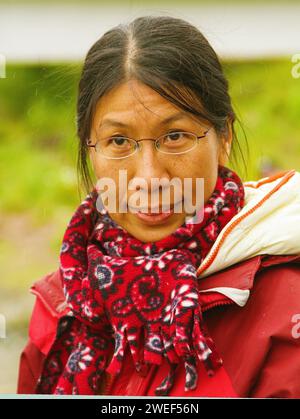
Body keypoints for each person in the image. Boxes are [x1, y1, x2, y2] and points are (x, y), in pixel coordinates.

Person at [17, 15, 300, 398]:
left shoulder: (284, 310)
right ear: (90, 148)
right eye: (119, 141)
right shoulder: (62, 305)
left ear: (225, 137)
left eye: (175, 136)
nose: (150, 177)